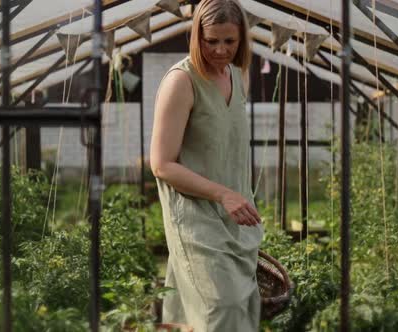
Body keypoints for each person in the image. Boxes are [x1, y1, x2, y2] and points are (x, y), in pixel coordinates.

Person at [149, 0, 264, 330]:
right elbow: (161, 164)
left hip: (236, 223)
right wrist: (222, 194)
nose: (220, 50)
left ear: (242, 38)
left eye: (229, 41)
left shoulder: (237, 76)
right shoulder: (181, 82)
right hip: (197, 219)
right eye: (210, 40)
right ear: (196, 35)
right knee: (222, 310)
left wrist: (236, 199)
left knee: (238, 312)